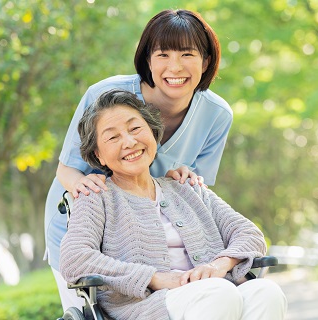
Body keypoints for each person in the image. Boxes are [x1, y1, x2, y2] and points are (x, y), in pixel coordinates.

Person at [45, 9, 234, 310]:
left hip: (155, 238)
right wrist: (87, 187)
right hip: (91, 227)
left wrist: (185, 174)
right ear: (147, 59)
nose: (175, 67)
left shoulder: (216, 115)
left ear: (206, 60)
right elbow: (67, 170)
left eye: (187, 54)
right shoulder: (105, 95)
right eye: (163, 55)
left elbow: (195, 191)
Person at [60, 89, 287, 320]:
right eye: (113, 137)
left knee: (266, 292)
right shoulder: (96, 196)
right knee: (219, 292)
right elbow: (75, 257)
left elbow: (250, 234)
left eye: (135, 128)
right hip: (147, 306)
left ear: (152, 132)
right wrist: (154, 278)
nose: (129, 142)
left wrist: (220, 265)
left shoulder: (185, 186)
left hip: (215, 289)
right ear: (99, 155)